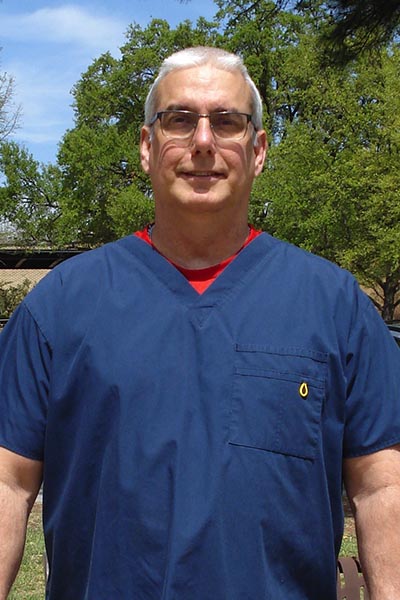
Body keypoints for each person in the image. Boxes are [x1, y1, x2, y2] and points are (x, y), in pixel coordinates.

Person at [0, 46, 399, 600]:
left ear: (258, 150)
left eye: (227, 122)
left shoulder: (335, 308)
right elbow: (8, 484)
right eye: (179, 120)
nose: (203, 142)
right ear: (147, 146)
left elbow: (383, 486)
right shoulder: (60, 308)